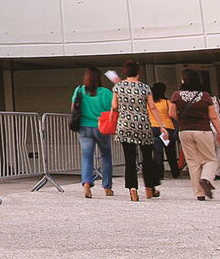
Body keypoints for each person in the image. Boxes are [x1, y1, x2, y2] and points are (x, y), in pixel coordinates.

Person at [111, 61, 168, 201]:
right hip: (143, 126)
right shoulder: (145, 88)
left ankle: (133, 190)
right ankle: (149, 188)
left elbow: (114, 105)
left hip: (125, 126)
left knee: (130, 159)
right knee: (147, 158)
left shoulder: (118, 87)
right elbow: (153, 107)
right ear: (138, 72)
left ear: (125, 72)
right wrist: (161, 126)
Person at [170, 69, 220, 201]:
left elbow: (171, 114)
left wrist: (182, 120)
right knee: (210, 159)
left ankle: (199, 194)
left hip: (185, 131)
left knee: (193, 163)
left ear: (183, 80)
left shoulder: (176, 96)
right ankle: (205, 179)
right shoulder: (205, 96)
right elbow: (213, 117)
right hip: (203, 130)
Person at [71, 68, 114, 198]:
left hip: (84, 128)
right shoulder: (106, 92)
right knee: (106, 156)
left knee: (86, 157)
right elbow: (111, 109)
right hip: (102, 128)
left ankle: (86, 185)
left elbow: (73, 108)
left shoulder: (79, 90)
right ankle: (107, 187)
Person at [149, 82, 180, 180]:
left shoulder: (149, 103)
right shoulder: (167, 102)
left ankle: (159, 174)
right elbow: (172, 114)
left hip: (153, 127)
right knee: (171, 152)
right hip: (168, 127)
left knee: (158, 152)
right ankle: (175, 172)